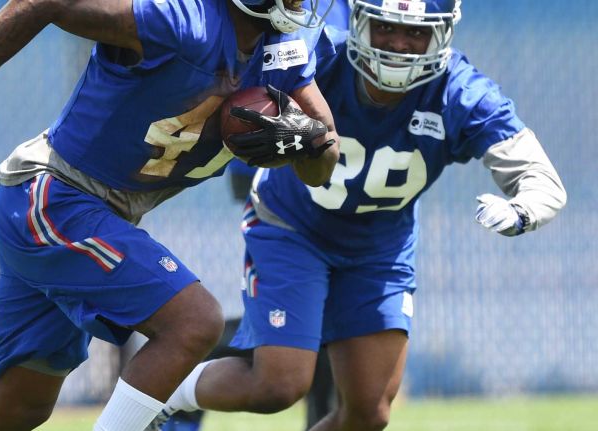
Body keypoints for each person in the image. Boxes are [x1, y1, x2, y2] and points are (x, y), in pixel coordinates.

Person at [0, 0, 342, 430]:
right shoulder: (181, 22)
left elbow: (324, 159)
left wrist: (306, 139)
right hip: (52, 198)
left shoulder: (285, 48)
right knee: (195, 322)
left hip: (75, 214)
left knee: (16, 409)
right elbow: (45, 3)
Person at [151, 0, 568, 430]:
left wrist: (522, 209)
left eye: (415, 33)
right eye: (386, 28)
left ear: (441, 35)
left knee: (369, 413)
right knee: (279, 384)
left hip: (379, 248)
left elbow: (541, 179)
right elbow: (231, 83)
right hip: (293, 228)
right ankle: (167, 395)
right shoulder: (319, 56)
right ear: (361, 23)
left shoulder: (460, 91)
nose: (398, 45)